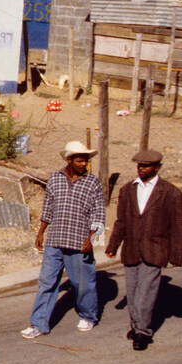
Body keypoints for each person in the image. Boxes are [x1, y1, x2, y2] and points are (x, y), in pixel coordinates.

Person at [21, 140, 105, 339]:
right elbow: (48, 207)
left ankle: (88, 315)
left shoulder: (92, 183)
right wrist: (41, 232)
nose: (84, 164)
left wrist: (91, 238)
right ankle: (38, 323)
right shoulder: (55, 179)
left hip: (79, 242)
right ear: (69, 160)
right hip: (55, 240)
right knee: (47, 283)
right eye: (79, 160)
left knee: (83, 283)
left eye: (86, 160)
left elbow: (98, 213)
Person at [105, 149, 182, 351]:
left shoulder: (171, 193)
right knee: (132, 292)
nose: (141, 169)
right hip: (132, 248)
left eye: (146, 166)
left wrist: (176, 255)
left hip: (155, 250)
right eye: (139, 166)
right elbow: (121, 221)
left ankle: (143, 332)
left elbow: (177, 227)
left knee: (145, 295)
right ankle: (136, 325)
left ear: (157, 168)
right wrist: (113, 246)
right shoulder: (127, 190)